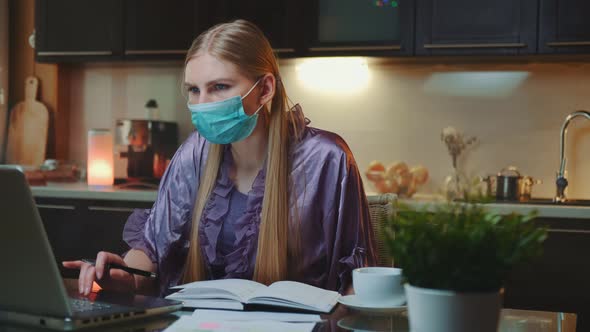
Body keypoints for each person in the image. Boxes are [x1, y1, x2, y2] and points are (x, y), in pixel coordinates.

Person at [64, 19, 376, 297]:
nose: (202, 104)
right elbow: (154, 247)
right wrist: (124, 275)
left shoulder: (328, 159)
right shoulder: (193, 153)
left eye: (219, 87)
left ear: (265, 88)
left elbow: (355, 281)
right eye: (194, 90)